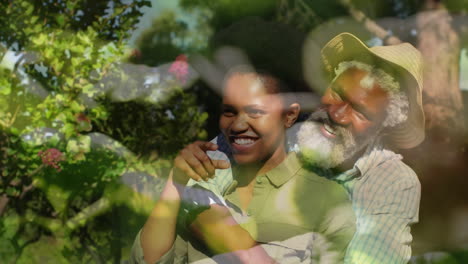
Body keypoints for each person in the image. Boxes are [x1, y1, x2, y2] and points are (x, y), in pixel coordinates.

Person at [175, 32, 424, 264]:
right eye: (338, 93)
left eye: (361, 111)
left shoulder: (393, 182)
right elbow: (198, 198)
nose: (338, 114)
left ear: (385, 125)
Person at [130, 66, 355, 263]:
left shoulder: (327, 199)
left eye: (255, 112)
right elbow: (148, 260)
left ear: (289, 116)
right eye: (229, 111)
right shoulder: (203, 178)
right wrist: (175, 180)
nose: (237, 125)